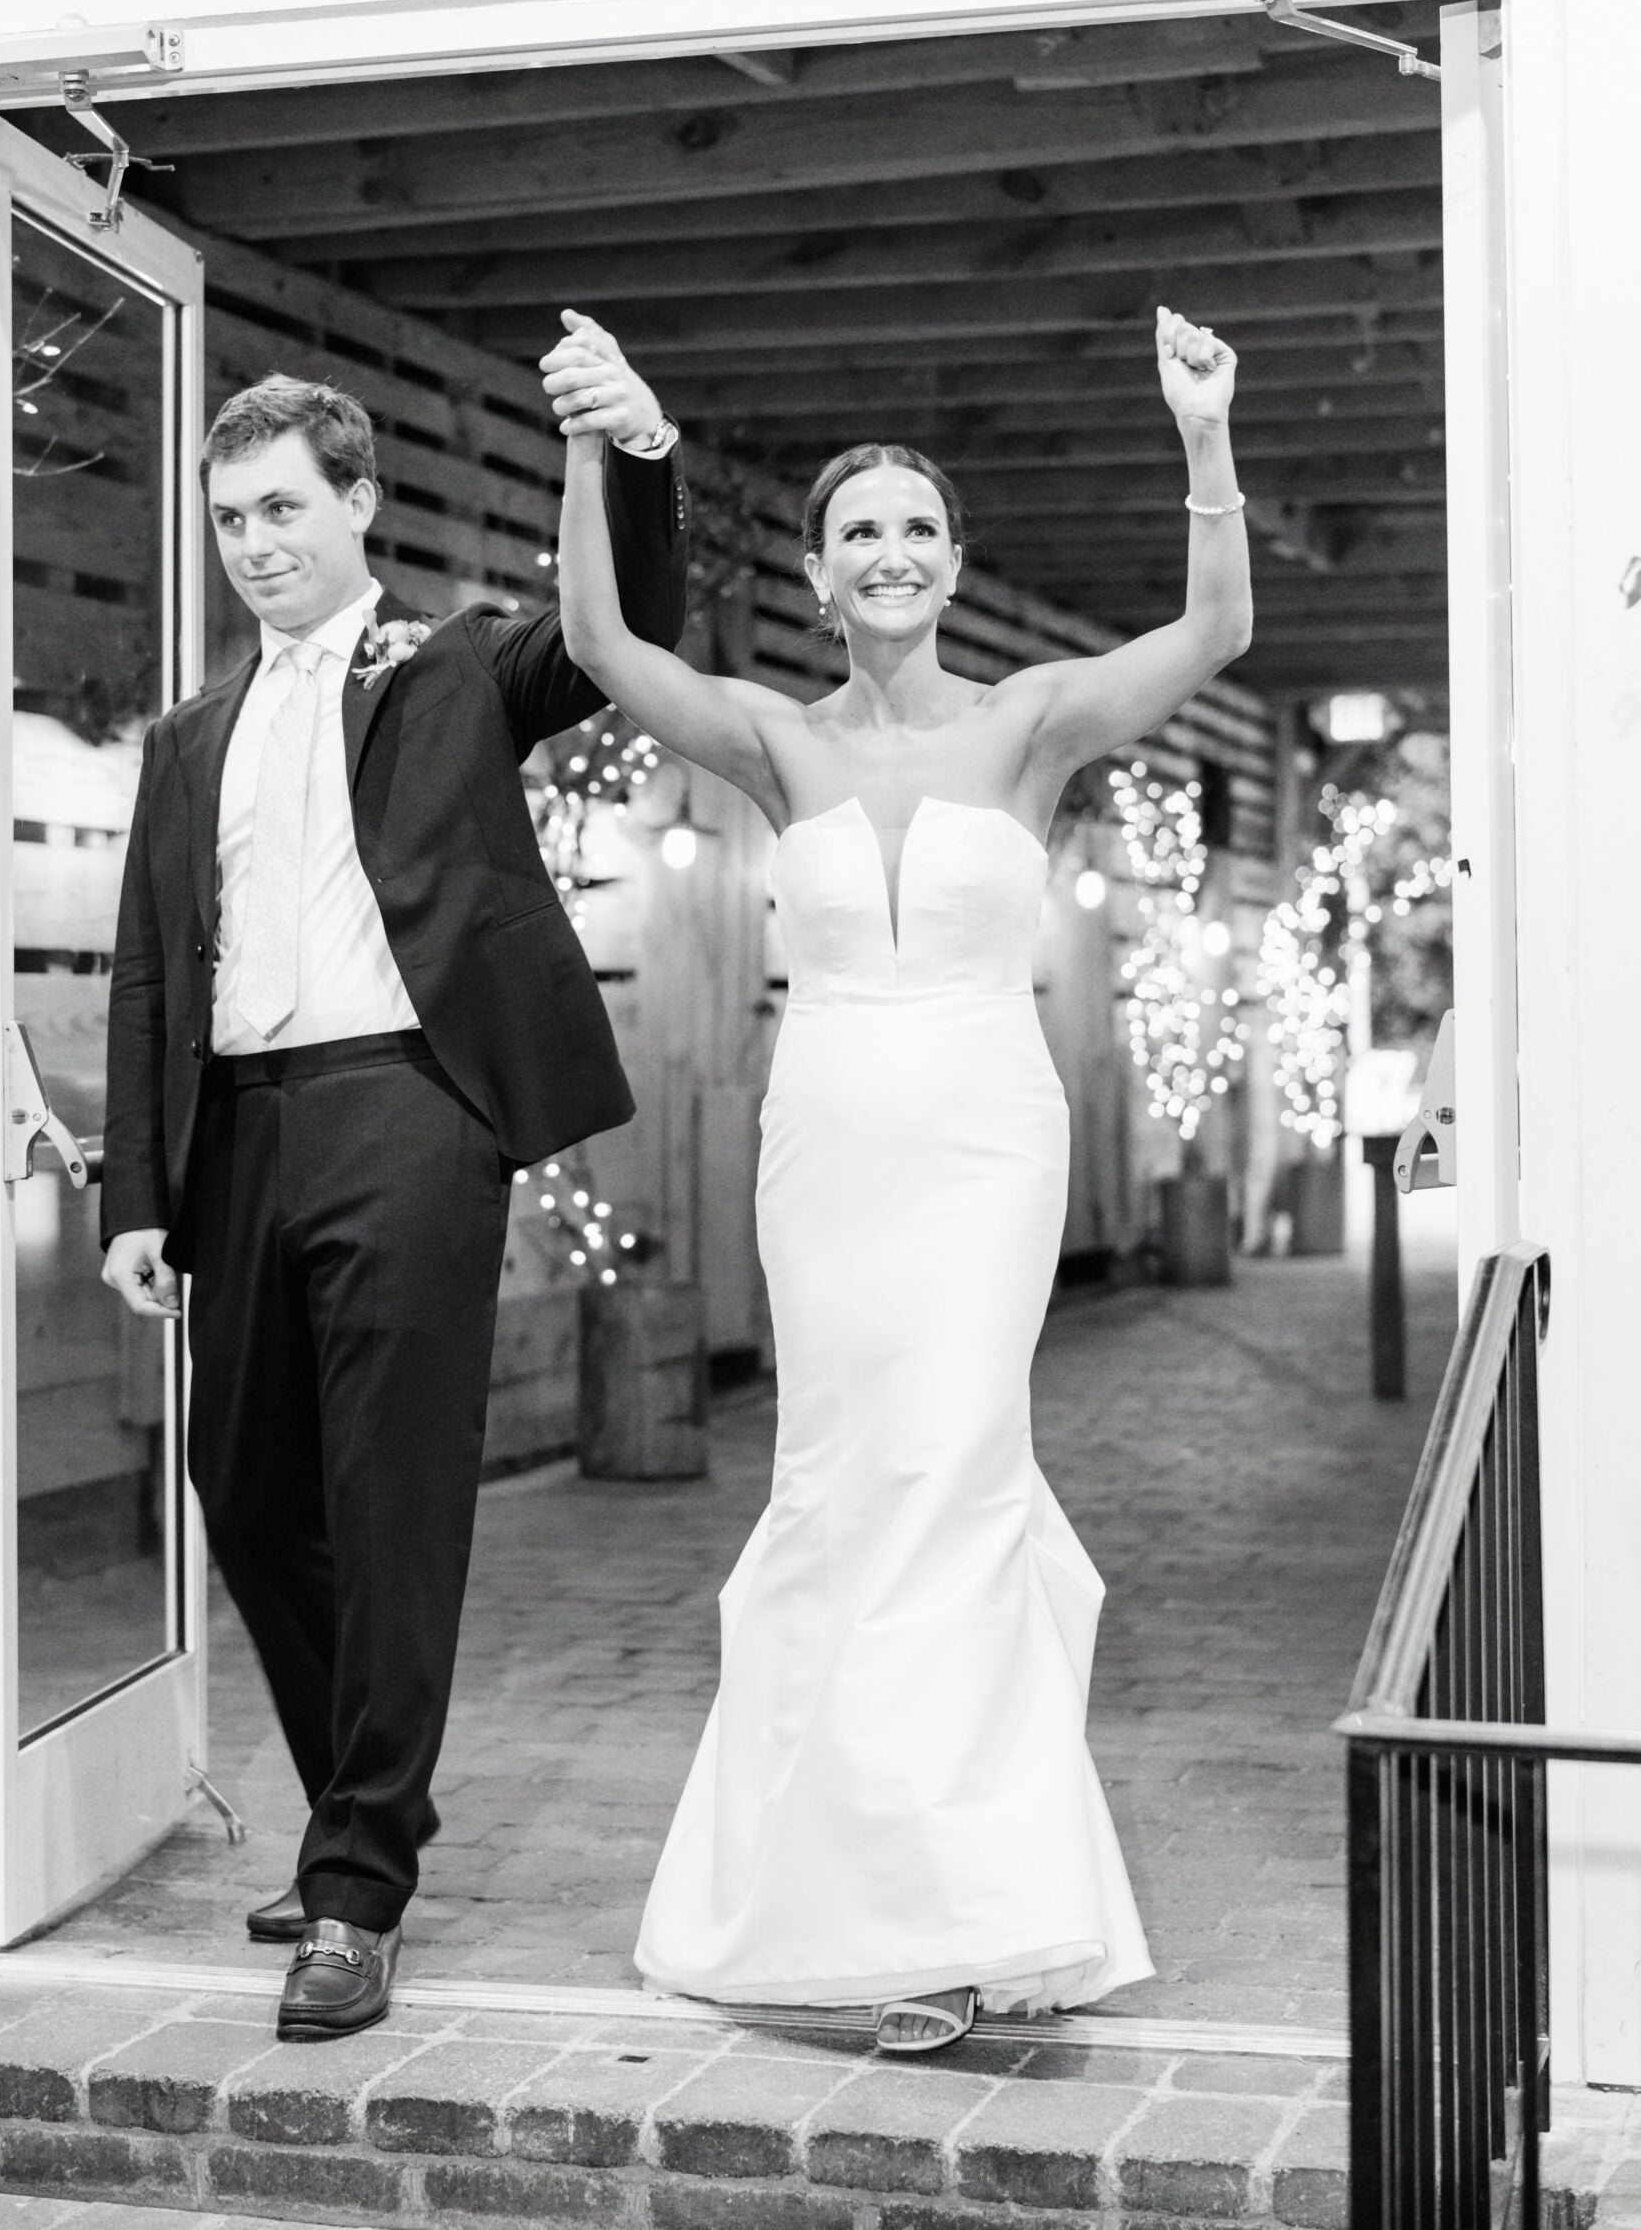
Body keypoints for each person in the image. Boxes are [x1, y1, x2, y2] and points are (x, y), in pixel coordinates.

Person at [547, 306, 1251, 2054]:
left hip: (985, 1133)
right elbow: (599, 640)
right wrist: (587, 440)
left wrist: (1205, 435)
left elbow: (1222, 625)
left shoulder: (1029, 725)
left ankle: (962, 1909)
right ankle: (839, 1893)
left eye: (919, 530)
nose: (893, 553)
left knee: (955, 1462)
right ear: (816, 571)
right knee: (846, 1480)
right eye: (860, 529)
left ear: (952, 565)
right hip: (832, 1134)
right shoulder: (776, 743)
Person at [100, 315, 687, 2041]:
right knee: (247, 1485)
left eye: (284, 508)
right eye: (231, 520)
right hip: (242, 1130)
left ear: (358, 502)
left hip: (411, 1112)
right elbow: (149, 971)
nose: (257, 544)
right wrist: (140, 1193)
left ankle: (356, 1887)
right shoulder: (188, 739)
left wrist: (633, 455)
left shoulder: (458, 668)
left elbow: (620, 631)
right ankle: (370, 1805)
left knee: (391, 1495)